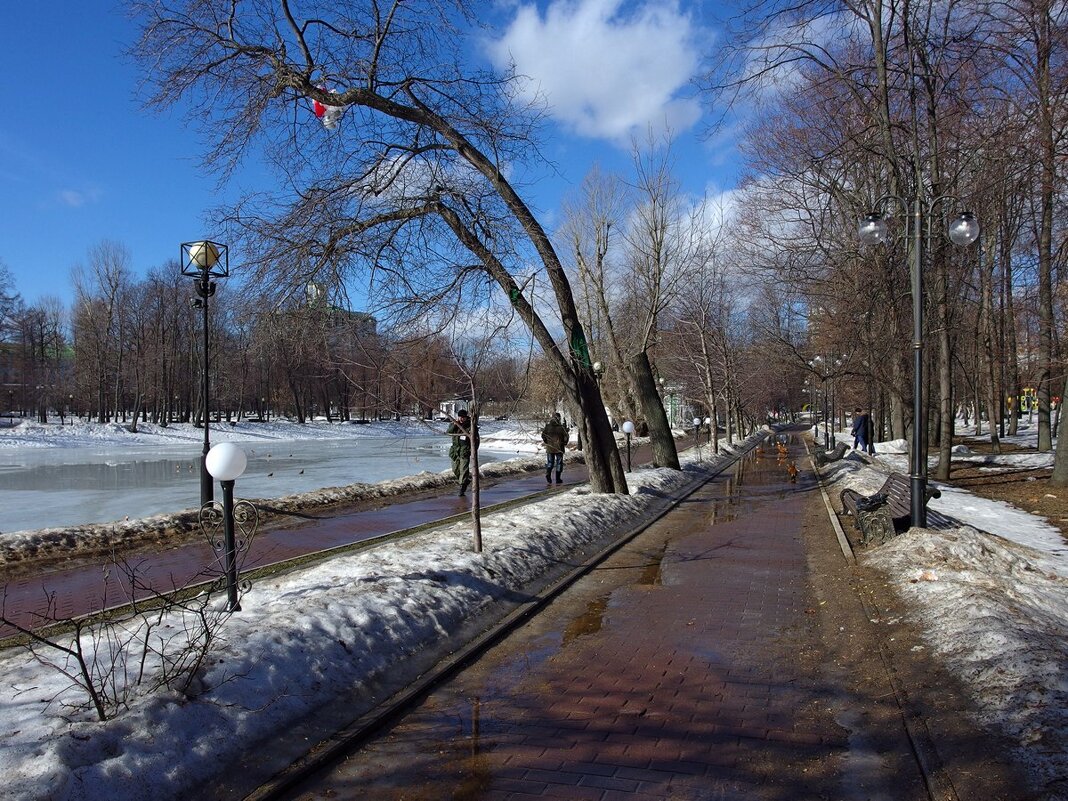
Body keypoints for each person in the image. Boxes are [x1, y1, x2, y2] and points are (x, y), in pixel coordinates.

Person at [447, 409, 477, 496]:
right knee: (455, 469)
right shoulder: (454, 424)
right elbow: (449, 432)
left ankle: (462, 487)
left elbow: (475, 438)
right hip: (455, 451)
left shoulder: (469, 425)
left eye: (463, 417)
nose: (461, 419)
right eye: (460, 417)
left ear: (466, 417)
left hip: (464, 451)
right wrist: (455, 425)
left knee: (463, 470)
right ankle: (465, 481)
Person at [541, 411, 569, 484]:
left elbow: (543, 435)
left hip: (550, 448)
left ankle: (548, 473)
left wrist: (547, 442)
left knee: (550, 463)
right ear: (559, 418)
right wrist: (564, 443)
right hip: (559, 448)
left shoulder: (547, 426)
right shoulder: (561, 427)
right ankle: (558, 479)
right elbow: (566, 436)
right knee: (559, 463)